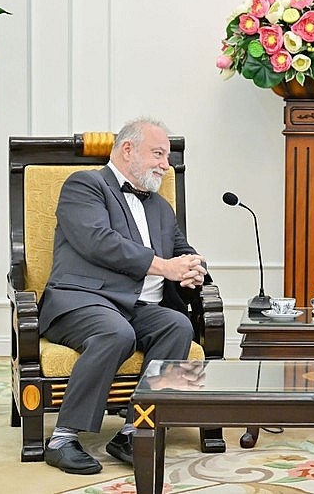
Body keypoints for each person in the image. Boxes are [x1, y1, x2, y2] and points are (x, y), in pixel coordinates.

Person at [38, 117, 208, 475]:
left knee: (177, 325)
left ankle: (134, 430)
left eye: (167, 155)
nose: (166, 164)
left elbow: (181, 249)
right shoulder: (85, 185)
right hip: (81, 299)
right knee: (117, 332)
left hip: (137, 305)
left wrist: (194, 267)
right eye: (158, 154)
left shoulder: (160, 205)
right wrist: (166, 267)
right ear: (128, 149)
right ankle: (63, 438)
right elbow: (99, 242)